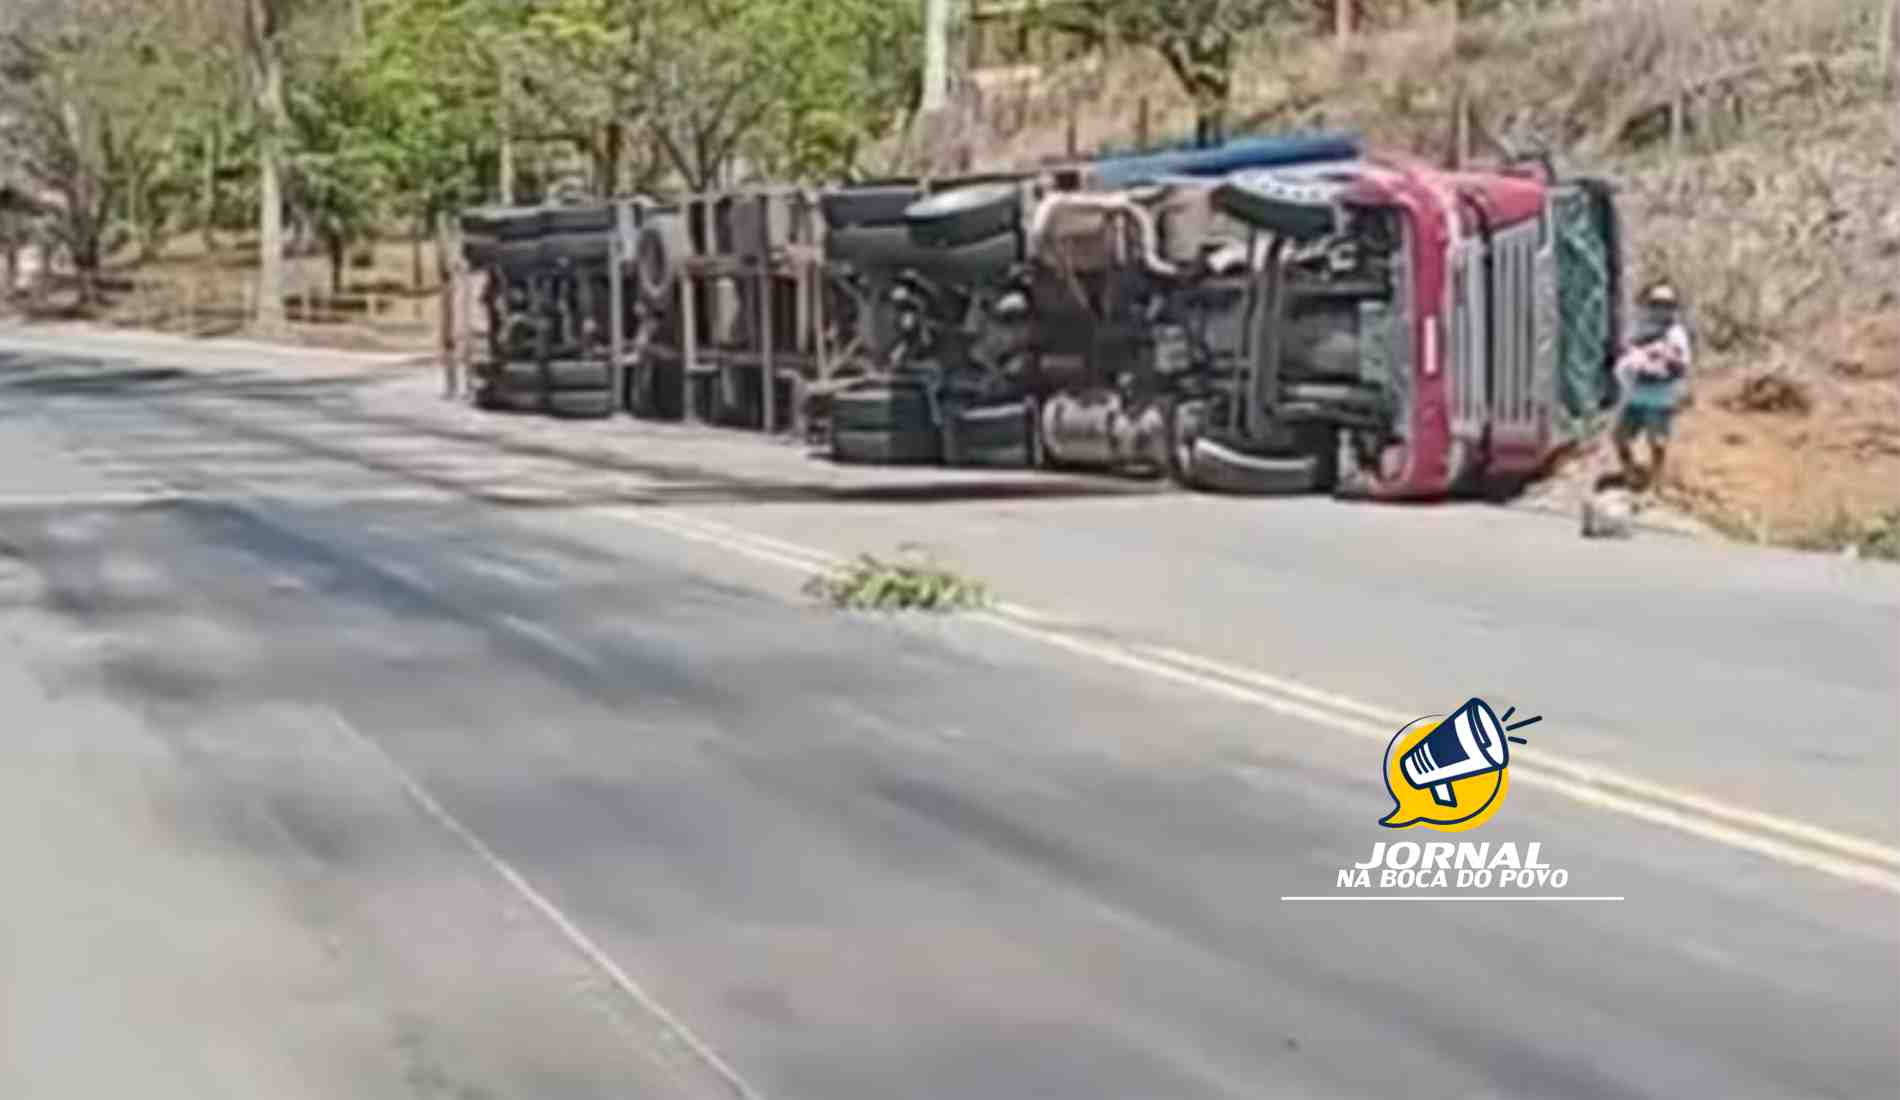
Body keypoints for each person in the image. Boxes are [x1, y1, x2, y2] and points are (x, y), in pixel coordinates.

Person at [1613, 283, 1693, 491]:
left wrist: (1661, 361)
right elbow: (1625, 351)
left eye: (1666, 304)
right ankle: (1631, 475)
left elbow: (1681, 366)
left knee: (1657, 442)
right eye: (1656, 303)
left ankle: (1656, 483)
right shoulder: (1639, 327)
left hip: (1660, 398)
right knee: (1620, 437)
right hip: (1634, 395)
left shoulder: (1676, 334)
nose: (1660, 309)